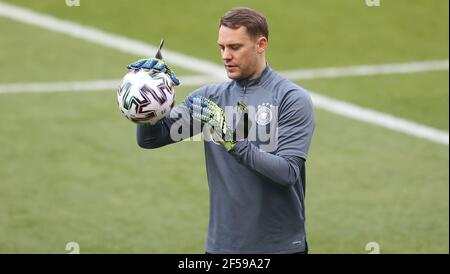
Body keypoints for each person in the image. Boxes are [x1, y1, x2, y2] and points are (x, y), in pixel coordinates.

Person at [130, 7, 315, 254]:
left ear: (261, 44)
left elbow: (287, 172)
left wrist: (233, 140)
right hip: (222, 247)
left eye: (235, 47)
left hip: (280, 248)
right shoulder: (210, 98)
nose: (226, 56)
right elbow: (152, 139)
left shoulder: (290, 98)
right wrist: (149, 103)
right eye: (222, 47)